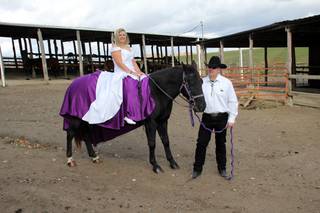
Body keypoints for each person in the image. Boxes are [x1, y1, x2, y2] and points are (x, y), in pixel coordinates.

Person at [82, 28, 146, 125]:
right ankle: (128, 114)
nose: (122, 36)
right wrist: (131, 72)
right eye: (120, 35)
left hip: (132, 71)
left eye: (124, 35)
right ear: (117, 36)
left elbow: (133, 62)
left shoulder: (129, 48)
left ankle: (142, 109)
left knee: (145, 81)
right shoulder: (115, 48)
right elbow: (119, 63)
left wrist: (139, 72)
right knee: (130, 85)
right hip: (121, 72)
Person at [192, 56, 238, 179]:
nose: (211, 69)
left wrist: (232, 118)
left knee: (221, 144)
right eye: (209, 67)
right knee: (201, 143)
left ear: (219, 69)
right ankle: (197, 169)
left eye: (214, 67)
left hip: (222, 117)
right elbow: (196, 98)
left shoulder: (227, 83)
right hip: (207, 117)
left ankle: (222, 168)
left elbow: (233, 101)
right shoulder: (201, 82)